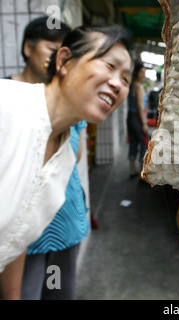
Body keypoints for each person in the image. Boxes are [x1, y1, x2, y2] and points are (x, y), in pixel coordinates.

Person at [0, 24, 133, 299]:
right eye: (109, 65)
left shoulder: (63, 161)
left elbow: (15, 238)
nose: (118, 84)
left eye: (127, 79)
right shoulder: (7, 106)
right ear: (63, 61)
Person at [127, 62, 149, 178]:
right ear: (136, 73)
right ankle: (142, 172)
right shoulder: (139, 87)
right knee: (143, 143)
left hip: (130, 118)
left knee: (133, 143)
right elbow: (140, 107)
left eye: (144, 73)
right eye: (141, 72)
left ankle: (132, 170)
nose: (143, 75)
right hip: (137, 118)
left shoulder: (131, 86)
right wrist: (144, 124)